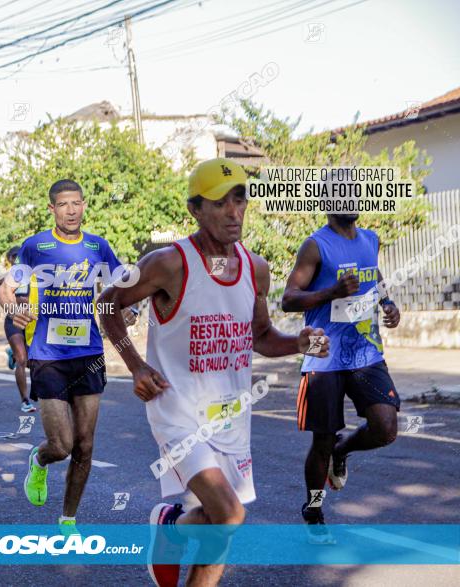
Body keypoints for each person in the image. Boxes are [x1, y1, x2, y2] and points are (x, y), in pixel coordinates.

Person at [98, 158, 329, 587]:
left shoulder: (255, 268)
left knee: (221, 533)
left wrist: (297, 342)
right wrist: (136, 365)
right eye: (219, 203)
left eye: (239, 199)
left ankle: (173, 527)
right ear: (195, 210)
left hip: (231, 414)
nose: (233, 211)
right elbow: (109, 304)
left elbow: (261, 335)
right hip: (177, 409)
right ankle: (171, 529)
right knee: (229, 512)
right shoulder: (168, 263)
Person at [0, 179, 134, 536]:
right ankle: (39, 459)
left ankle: (68, 519)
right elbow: (6, 287)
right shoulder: (36, 247)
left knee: (85, 446)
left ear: (84, 205)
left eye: (77, 203)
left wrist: (128, 309)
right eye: (63, 204)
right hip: (48, 356)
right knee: (62, 444)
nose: (71, 210)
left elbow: (123, 288)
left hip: (88, 353)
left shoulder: (97, 246)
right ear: (52, 209)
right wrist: (14, 309)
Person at [282, 209, 401, 544]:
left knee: (386, 427)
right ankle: (314, 511)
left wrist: (388, 302)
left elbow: (375, 275)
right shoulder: (315, 246)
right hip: (324, 353)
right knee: (321, 440)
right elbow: (288, 299)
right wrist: (330, 293)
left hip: (365, 351)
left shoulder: (370, 239)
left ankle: (343, 451)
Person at [0, 246, 36, 413]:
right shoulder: (4, 277)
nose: (17, 259)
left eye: (19, 256)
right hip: (13, 321)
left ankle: (12, 354)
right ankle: (25, 400)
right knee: (22, 359)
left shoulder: (32, 275)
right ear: (9, 259)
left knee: (33, 361)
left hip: (31, 322)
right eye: (13, 256)